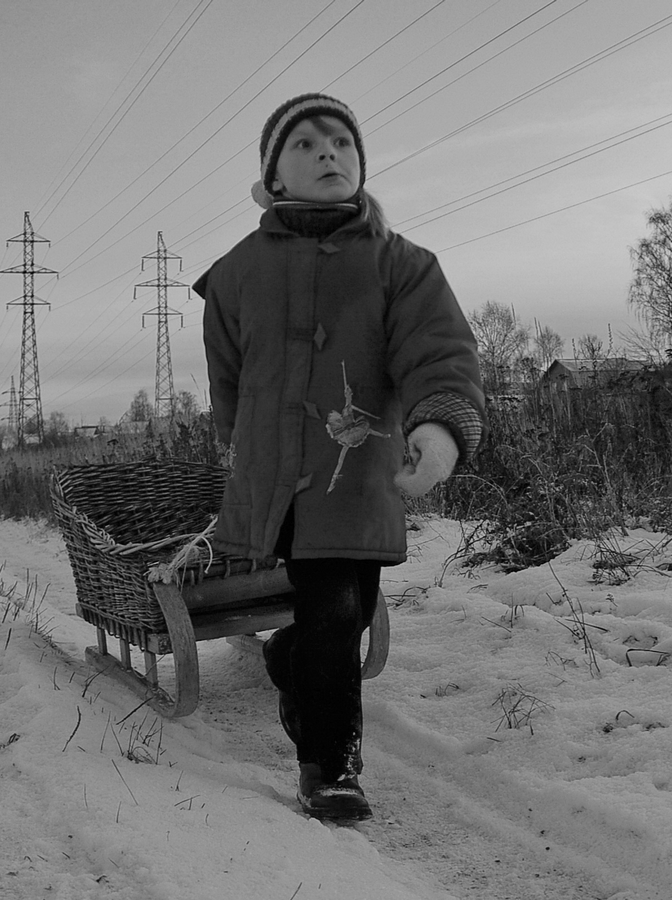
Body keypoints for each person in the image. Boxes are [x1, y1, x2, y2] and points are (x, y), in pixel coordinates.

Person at [194, 93, 484, 821]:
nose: (329, 154)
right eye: (306, 145)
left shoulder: (403, 265)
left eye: (341, 144)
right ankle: (330, 765)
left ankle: (287, 662)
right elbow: (227, 375)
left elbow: (440, 355)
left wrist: (440, 429)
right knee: (330, 606)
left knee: (351, 611)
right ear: (274, 178)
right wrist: (236, 445)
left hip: (359, 472)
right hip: (278, 477)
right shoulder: (235, 273)